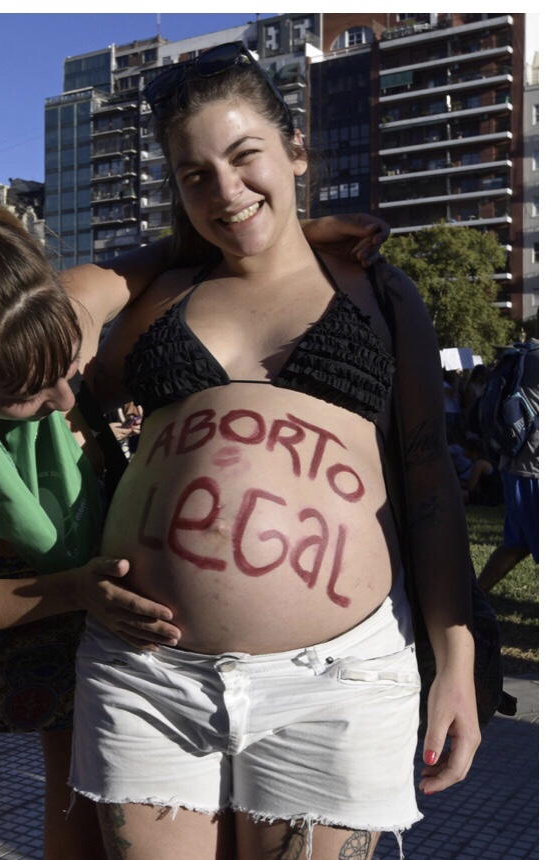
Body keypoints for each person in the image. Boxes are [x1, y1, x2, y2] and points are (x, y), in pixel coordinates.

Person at [0, 193, 386, 860]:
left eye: (69, 369)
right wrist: (77, 589)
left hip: (90, 626)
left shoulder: (72, 303)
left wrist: (296, 234)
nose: (65, 401)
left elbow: (185, 248)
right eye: (26, 394)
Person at [69, 41, 481, 860]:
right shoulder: (162, 298)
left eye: (244, 156)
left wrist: (458, 664)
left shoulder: (377, 293)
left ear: (296, 149)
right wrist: (167, 253)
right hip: (149, 675)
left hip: (336, 681)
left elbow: (430, 484)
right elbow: (59, 362)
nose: (225, 191)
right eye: (195, 176)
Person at [478, 340, 539, 593]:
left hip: (516, 464)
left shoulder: (526, 353)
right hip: (535, 469)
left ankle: (473, 597)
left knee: (516, 544)